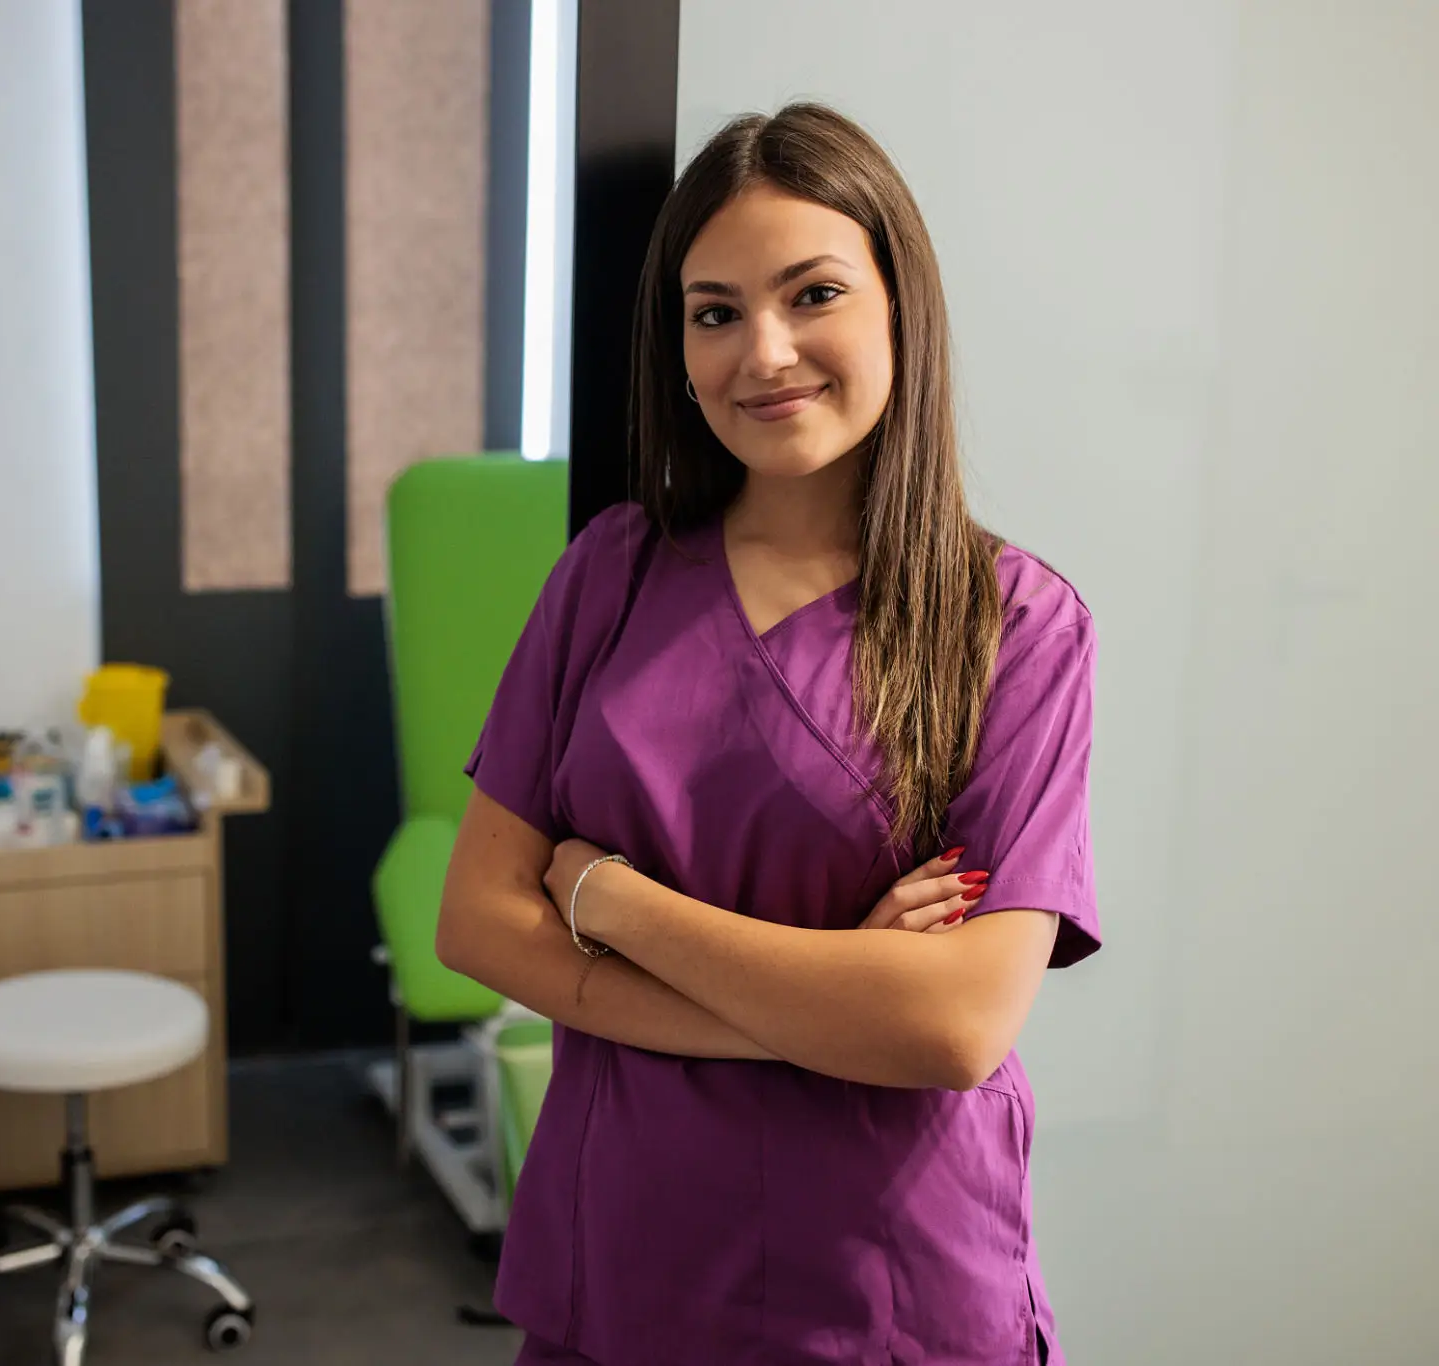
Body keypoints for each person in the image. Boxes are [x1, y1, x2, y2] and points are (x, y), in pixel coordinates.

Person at [436, 103, 1098, 1365]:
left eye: (812, 293)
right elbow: (475, 920)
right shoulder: (610, 578)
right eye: (715, 311)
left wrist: (604, 897)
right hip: (625, 1252)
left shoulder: (1013, 625)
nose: (765, 351)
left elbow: (954, 1029)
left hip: (882, 1285)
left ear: (898, 304)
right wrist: (828, 994)